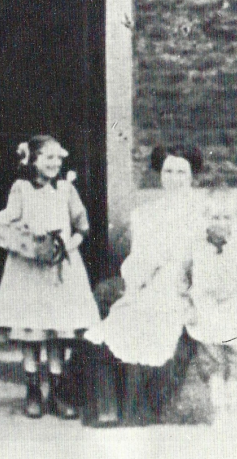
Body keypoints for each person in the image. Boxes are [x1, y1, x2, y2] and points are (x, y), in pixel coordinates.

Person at [83, 144, 206, 424]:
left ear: (191, 176)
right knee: (116, 321)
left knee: (156, 321)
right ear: (160, 174)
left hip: (183, 285)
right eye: (168, 171)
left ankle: (137, 409)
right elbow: (139, 259)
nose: (173, 177)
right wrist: (135, 284)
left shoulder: (202, 214)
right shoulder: (146, 214)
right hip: (150, 282)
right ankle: (111, 407)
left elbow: (203, 260)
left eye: (181, 172)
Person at [0, 135, 100, 419]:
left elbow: (81, 226)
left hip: (60, 268)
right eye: (48, 158)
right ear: (33, 160)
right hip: (28, 268)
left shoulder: (66, 189)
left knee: (57, 332)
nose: (54, 163)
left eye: (58, 158)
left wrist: (68, 246)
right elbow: (11, 215)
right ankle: (33, 392)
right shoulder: (21, 188)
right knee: (31, 329)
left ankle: (57, 393)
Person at [186, 190, 237, 426]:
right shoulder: (195, 245)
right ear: (205, 219)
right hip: (204, 307)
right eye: (215, 217)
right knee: (211, 358)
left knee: (236, 355)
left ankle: (235, 405)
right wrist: (187, 304)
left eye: (226, 217)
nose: (220, 223)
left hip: (233, 307)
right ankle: (219, 408)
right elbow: (181, 276)